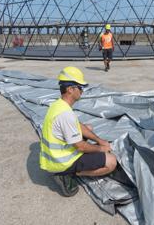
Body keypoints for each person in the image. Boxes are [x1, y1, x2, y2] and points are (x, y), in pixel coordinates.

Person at [40, 66, 117, 196]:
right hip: (61, 162)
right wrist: (101, 148)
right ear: (70, 89)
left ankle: (73, 168)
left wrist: (99, 140)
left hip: (56, 155)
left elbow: (78, 125)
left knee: (89, 128)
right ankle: (70, 173)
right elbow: (81, 147)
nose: (82, 91)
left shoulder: (59, 105)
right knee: (111, 162)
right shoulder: (64, 114)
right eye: (80, 87)